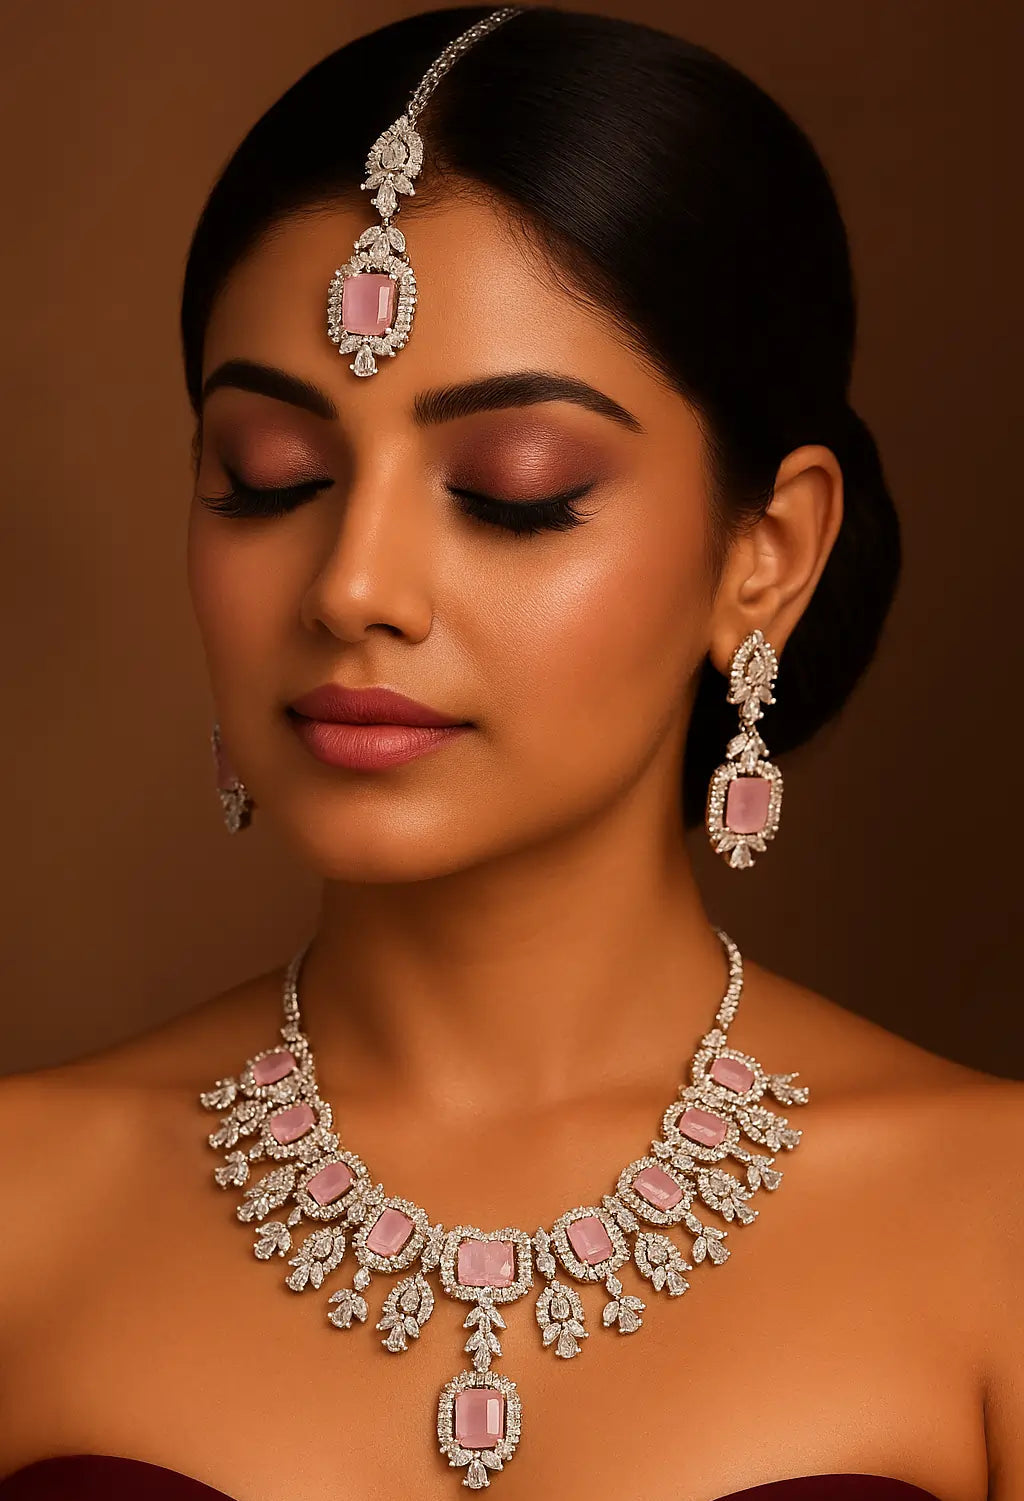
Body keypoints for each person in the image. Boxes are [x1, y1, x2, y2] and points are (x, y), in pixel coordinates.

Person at [0, 7, 1019, 1499]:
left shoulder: (994, 1226)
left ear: (766, 555)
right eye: (270, 478)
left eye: (514, 490)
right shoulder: (23, 1210)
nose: (352, 586)